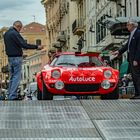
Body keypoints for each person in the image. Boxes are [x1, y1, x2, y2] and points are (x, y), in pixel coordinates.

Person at [3, 20, 44, 100]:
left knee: (11, 77)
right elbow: (23, 44)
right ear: (18, 26)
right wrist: (36, 47)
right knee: (16, 77)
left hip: (10, 58)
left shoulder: (6, 34)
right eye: (20, 29)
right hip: (17, 57)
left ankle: (10, 94)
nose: (20, 30)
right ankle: (13, 96)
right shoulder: (15, 34)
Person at [112, 18, 140, 99]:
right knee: (134, 77)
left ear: (132, 25)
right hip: (131, 58)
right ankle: (137, 93)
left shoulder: (138, 33)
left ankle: (139, 93)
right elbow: (127, 45)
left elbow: (139, 48)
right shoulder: (131, 34)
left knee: (137, 76)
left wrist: (136, 59)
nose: (127, 26)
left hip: (135, 59)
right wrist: (119, 52)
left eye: (128, 24)